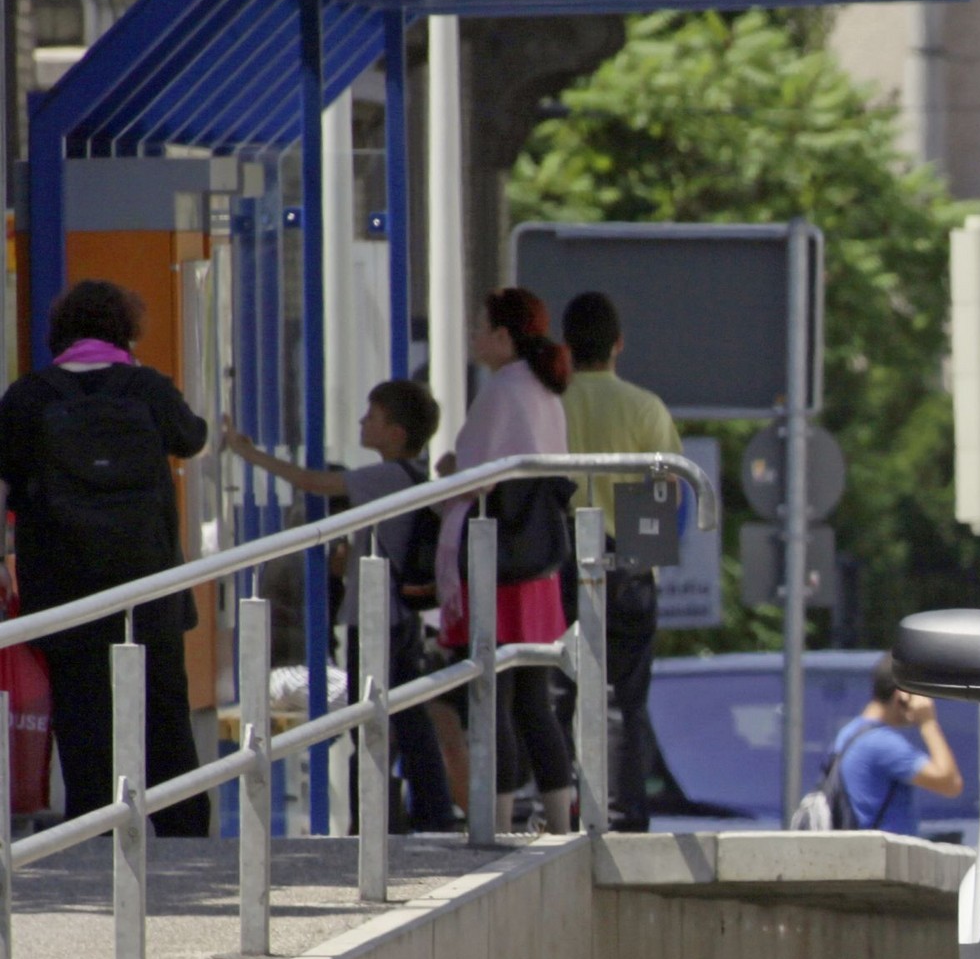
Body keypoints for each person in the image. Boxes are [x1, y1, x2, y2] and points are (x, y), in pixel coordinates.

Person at [0, 280, 211, 833]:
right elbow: (192, 438)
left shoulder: (29, 397)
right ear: (126, 331)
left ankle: (94, 832)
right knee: (164, 712)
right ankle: (184, 833)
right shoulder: (147, 388)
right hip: (148, 582)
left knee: (82, 715)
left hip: (63, 587)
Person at [224, 380, 457, 832]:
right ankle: (428, 813)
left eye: (373, 416)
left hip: (376, 619)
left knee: (371, 721)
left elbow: (314, 483)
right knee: (405, 718)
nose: (362, 422)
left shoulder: (387, 476)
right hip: (397, 618)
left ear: (397, 433)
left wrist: (248, 454)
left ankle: (381, 820)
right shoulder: (407, 475)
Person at [438, 288, 575, 836]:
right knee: (534, 701)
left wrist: (448, 472)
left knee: (491, 697)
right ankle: (561, 820)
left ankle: (494, 823)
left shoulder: (500, 391)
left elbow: (471, 477)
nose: (473, 336)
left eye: (480, 326)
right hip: (539, 565)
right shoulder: (546, 392)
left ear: (502, 336)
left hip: (496, 559)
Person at [558, 291, 681, 832]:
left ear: (566, 345)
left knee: (557, 688)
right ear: (618, 344)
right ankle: (622, 814)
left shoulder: (552, 403)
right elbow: (665, 490)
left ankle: (554, 809)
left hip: (560, 557)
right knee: (623, 698)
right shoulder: (644, 407)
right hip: (627, 557)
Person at [823, 656, 963, 836]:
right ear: (902, 696)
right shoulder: (882, 743)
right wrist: (928, 722)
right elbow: (950, 783)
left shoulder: (849, 733)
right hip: (882, 851)